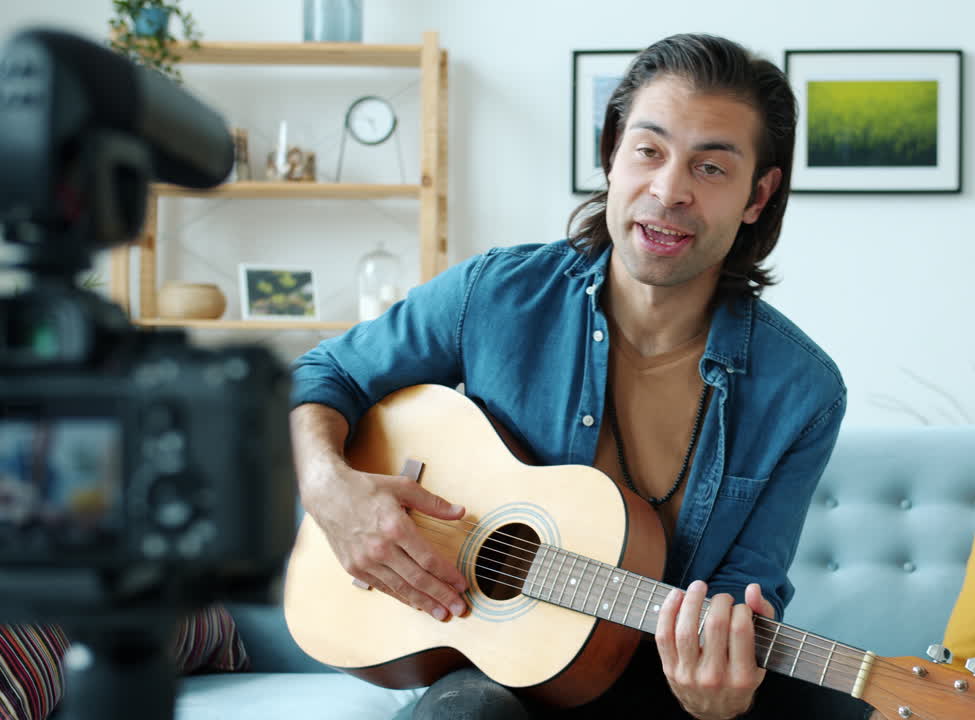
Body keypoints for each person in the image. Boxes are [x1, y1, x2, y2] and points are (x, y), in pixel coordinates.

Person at [289, 33, 876, 720]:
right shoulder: (495, 292)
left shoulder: (803, 390)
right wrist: (330, 487)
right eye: (648, 151)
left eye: (711, 168)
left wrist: (720, 687)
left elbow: (750, 588)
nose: (669, 190)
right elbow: (325, 373)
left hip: (662, 675)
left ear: (759, 194)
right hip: (490, 667)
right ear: (611, 156)